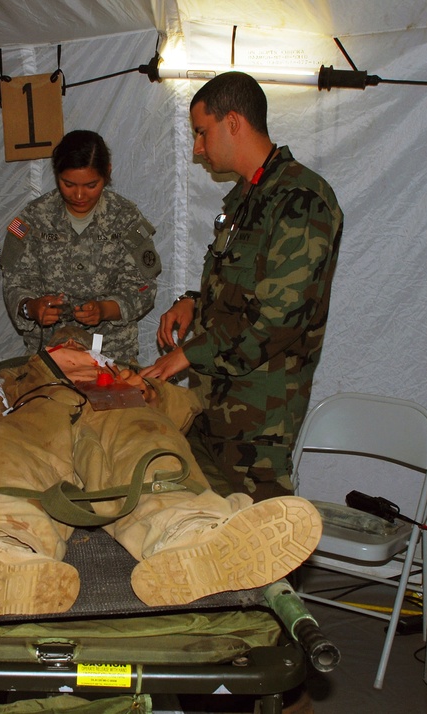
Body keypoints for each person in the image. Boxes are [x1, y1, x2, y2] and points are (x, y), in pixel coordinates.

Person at [0, 328, 321, 623]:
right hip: (41, 412)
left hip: (113, 407)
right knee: (4, 448)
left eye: (80, 343)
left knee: (148, 443)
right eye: (65, 343)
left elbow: (183, 408)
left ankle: (188, 535)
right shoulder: (26, 374)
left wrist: (147, 391)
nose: (73, 346)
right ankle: (6, 552)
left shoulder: (125, 373)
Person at [141, 72, 343, 502]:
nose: (197, 149)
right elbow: (240, 288)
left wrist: (188, 353)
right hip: (214, 411)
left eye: (201, 132)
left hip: (258, 425)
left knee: (266, 549)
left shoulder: (299, 200)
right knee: (214, 544)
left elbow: (277, 319)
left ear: (233, 122)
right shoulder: (249, 197)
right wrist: (193, 303)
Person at [1, 129, 161, 363]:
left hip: (112, 354)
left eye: (90, 185)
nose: (78, 195)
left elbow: (143, 288)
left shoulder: (126, 218)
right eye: (68, 184)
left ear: (107, 173)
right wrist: (32, 308)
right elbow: (15, 282)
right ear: (57, 175)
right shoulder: (34, 219)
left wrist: (105, 309)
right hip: (49, 355)